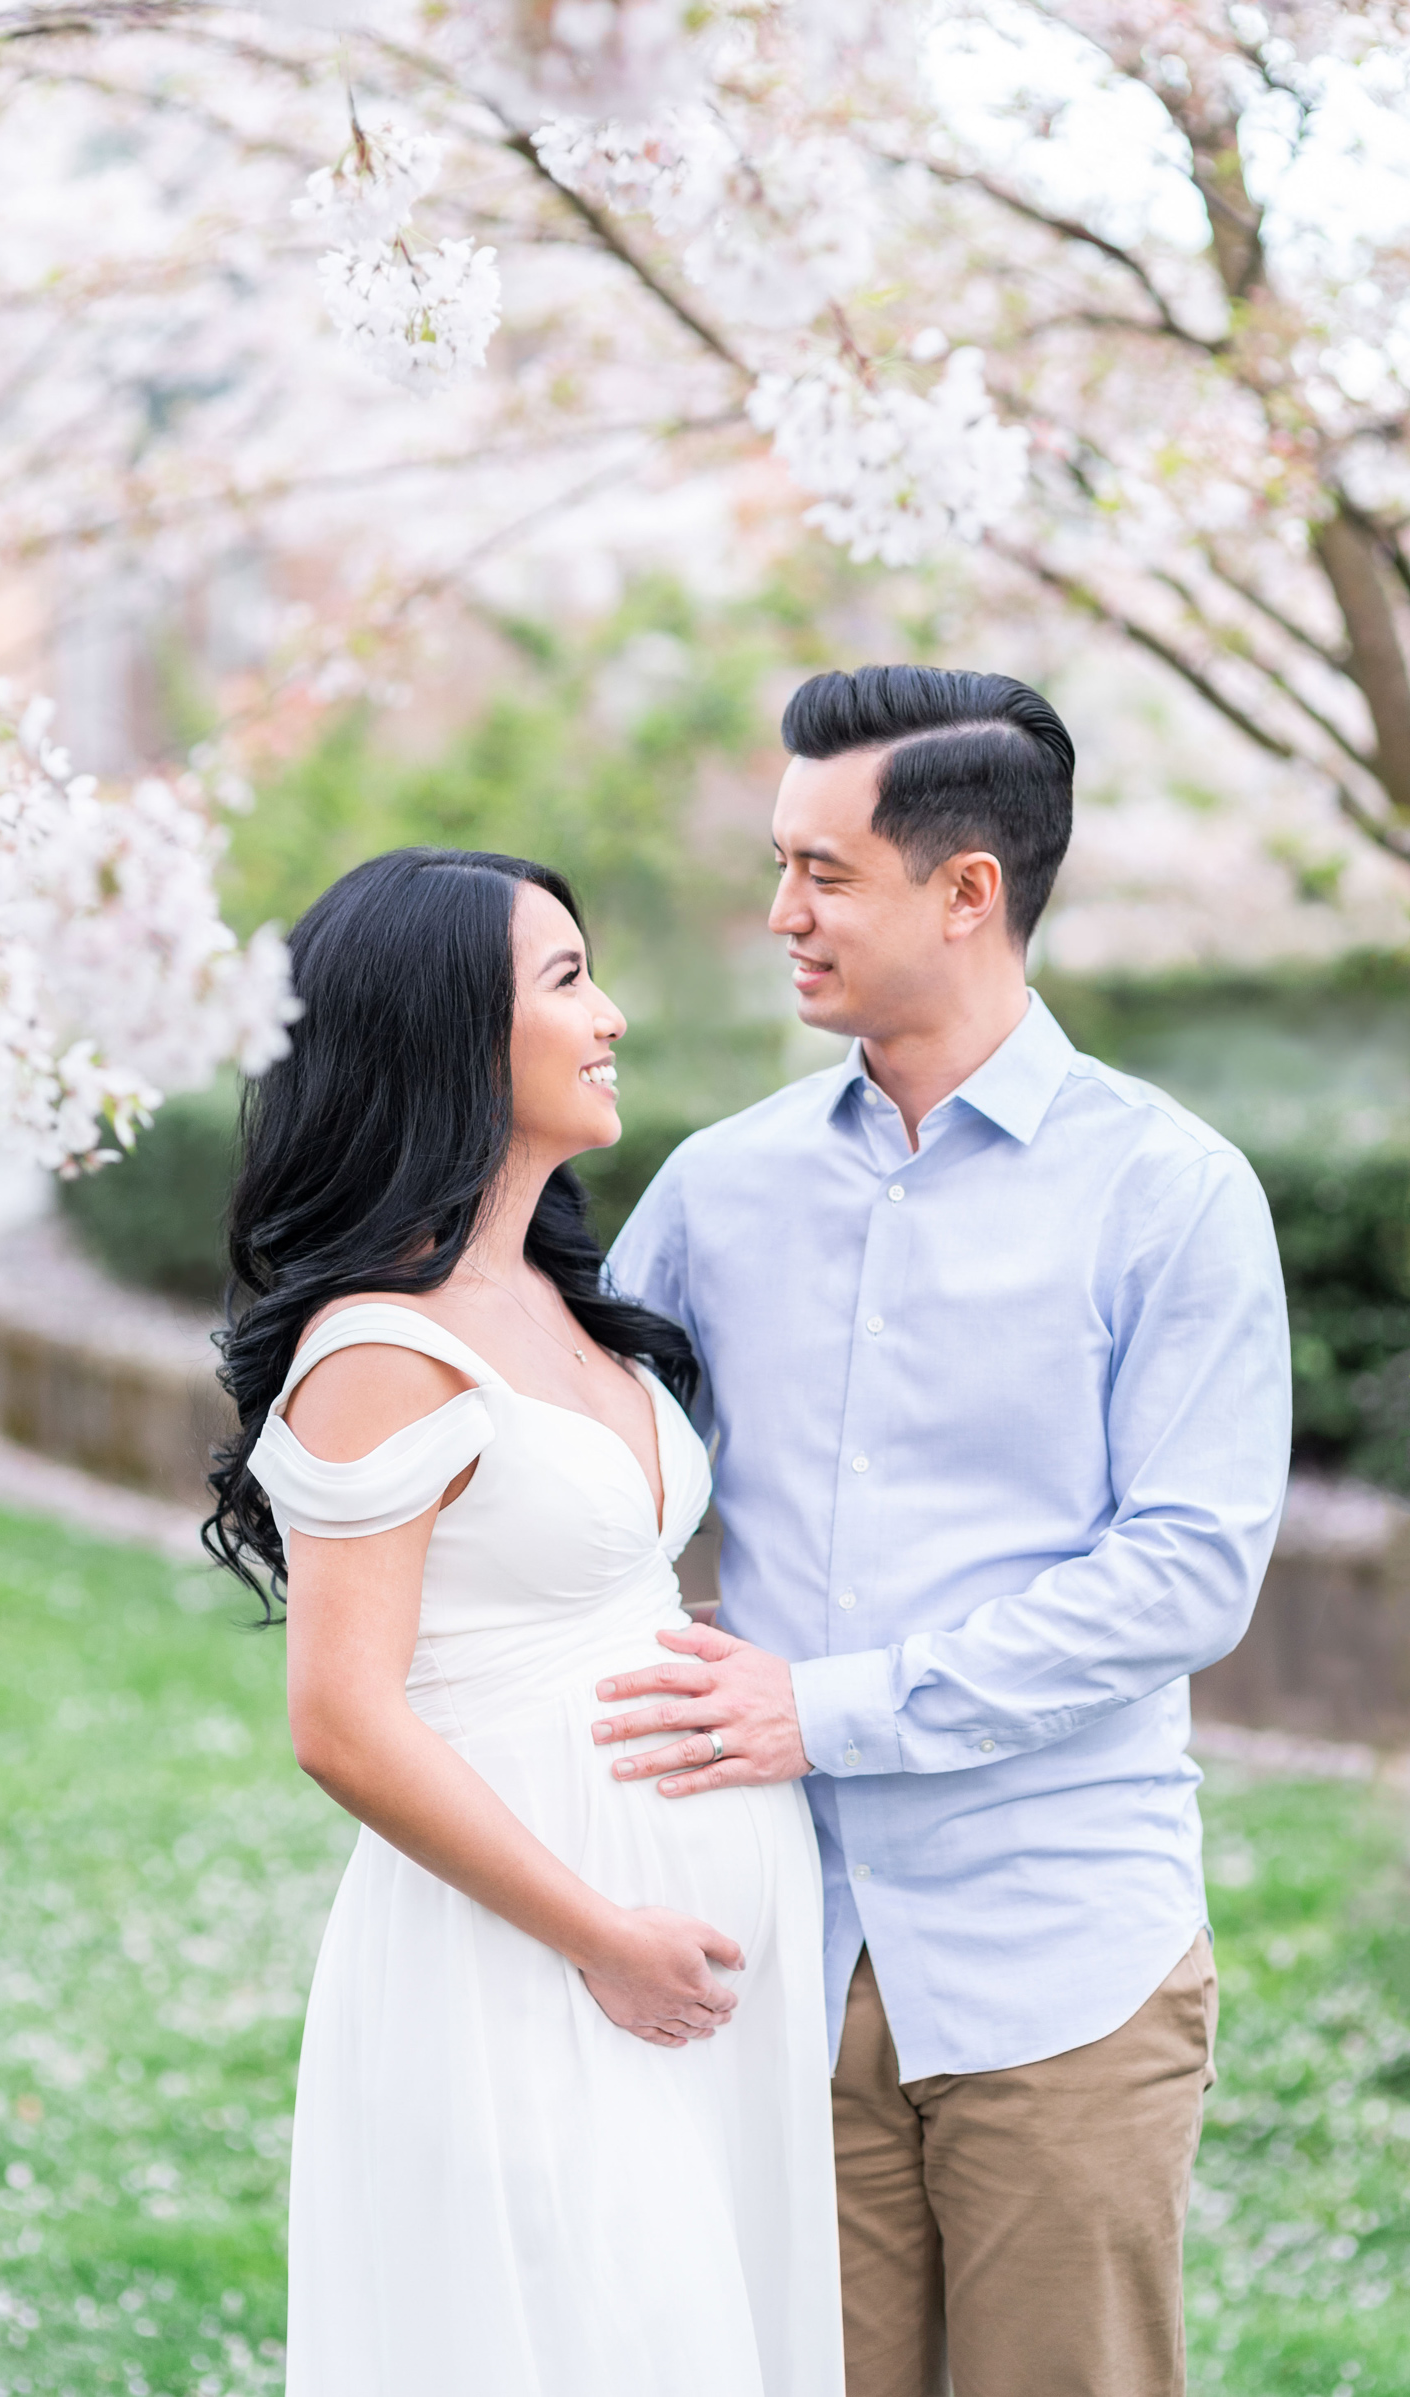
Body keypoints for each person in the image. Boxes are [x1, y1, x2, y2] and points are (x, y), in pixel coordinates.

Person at [602, 665, 1292, 2397]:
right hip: (773, 1947)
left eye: (825, 872)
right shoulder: (719, 1188)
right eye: (782, 865)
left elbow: (1187, 1572)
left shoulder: (1172, 1190)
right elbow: (591, 1471)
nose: (782, 914)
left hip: (1060, 1958)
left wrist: (822, 1709)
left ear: (967, 889)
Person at [203, 847, 843, 2397]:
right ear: (445, 1036)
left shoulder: (563, 1292)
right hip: (527, 1962)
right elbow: (340, 1718)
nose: (610, 1015)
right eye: (566, 981)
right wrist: (604, 1936)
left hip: (687, 1964)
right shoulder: (376, 1345)